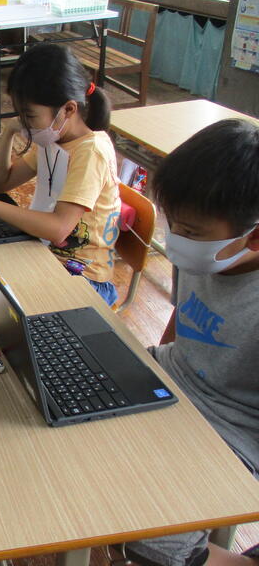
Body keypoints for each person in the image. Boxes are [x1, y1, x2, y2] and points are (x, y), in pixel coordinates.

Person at [119, 119, 259, 566]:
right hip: (174, 376)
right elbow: (183, 322)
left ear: (254, 235)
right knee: (62, 395)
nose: (174, 241)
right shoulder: (206, 252)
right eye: (172, 224)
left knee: (152, 538)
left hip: (233, 426)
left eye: (192, 232)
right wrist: (151, 368)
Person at [0, 43, 121, 305]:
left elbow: (58, 229)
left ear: (68, 110)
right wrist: (9, 132)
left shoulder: (90, 152)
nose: (25, 123)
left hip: (84, 278)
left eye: (29, 115)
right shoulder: (54, 139)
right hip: (46, 254)